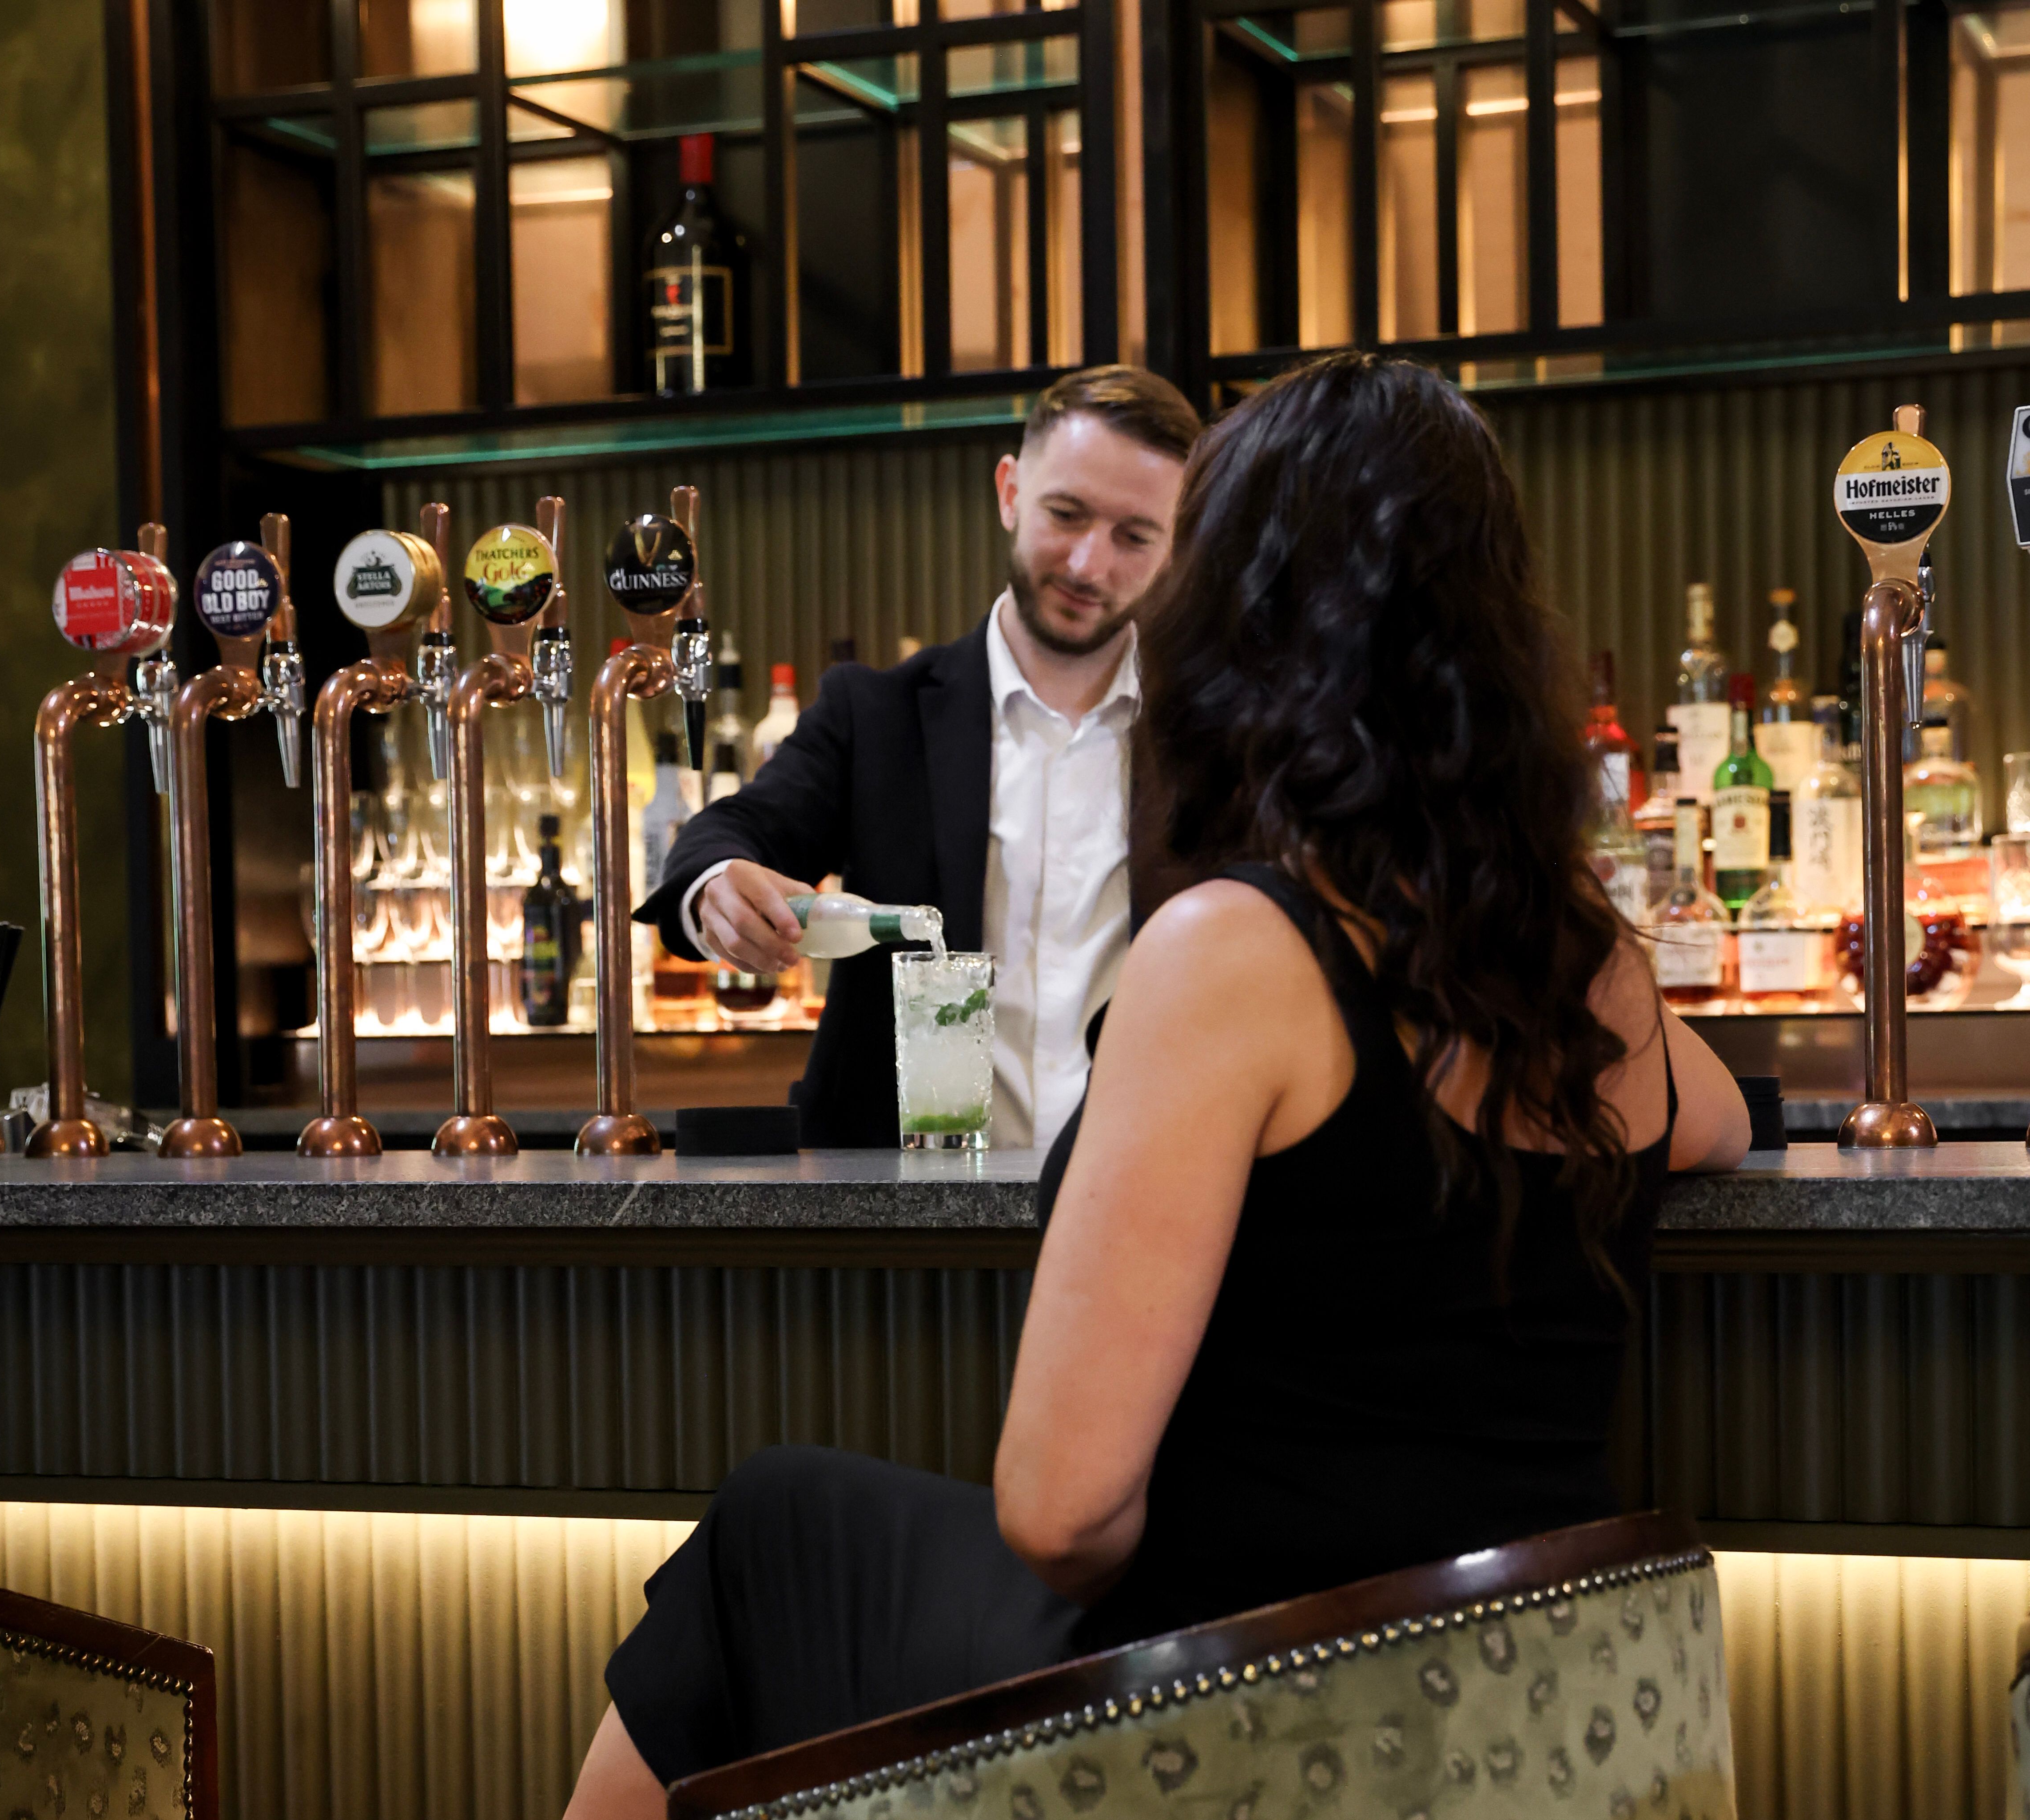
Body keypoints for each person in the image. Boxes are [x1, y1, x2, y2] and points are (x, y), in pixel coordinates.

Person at [565, 353, 1749, 1820]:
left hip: (1249, 1715)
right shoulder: (1588, 959)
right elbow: (1716, 1120)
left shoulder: (1233, 952)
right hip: (1522, 1714)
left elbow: (1061, 1515)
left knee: (772, 1528)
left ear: (1242, 604)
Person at [635, 364, 1203, 1151]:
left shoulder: (1213, 736)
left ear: (1179, 545)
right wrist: (717, 888)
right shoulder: (876, 716)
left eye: (1134, 536)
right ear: (1010, 492)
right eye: (1066, 514)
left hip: (1142, 1191)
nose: (1087, 564)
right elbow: (731, 833)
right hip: (906, 1206)